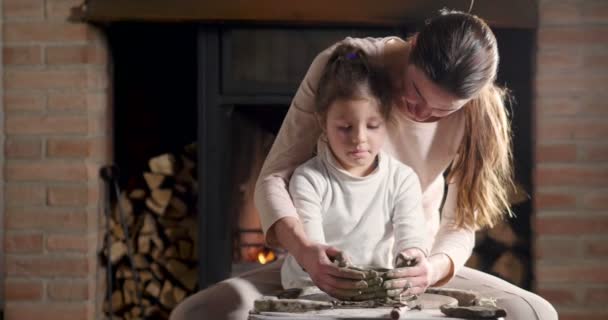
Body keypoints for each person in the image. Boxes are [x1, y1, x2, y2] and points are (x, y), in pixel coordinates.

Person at [170, 10, 558, 320]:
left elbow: (461, 223)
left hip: (410, 275)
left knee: (535, 312)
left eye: (442, 111)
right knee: (196, 312)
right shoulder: (346, 66)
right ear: (414, 45)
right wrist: (307, 254)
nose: (420, 113)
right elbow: (273, 176)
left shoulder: (476, 112)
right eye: (416, 92)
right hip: (323, 268)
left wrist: (431, 268)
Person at [281, 43, 429, 292]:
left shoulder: (402, 179)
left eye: (372, 126)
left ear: (386, 121)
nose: (359, 138)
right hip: (312, 287)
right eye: (345, 127)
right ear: (322, 121)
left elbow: (410, 234)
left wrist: (413, 254)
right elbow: (313, 246)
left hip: (374, 289)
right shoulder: (309, 179)